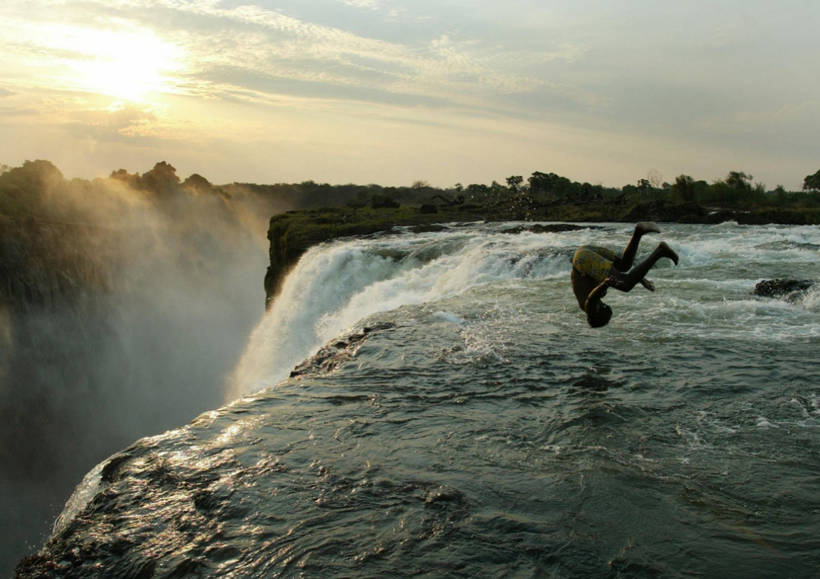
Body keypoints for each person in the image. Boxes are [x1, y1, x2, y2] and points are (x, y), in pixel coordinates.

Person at [571, 222, 679, 327]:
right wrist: (640, 279)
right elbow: (616, 275)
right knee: (624, 265)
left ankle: (660, 252)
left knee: (626, 285)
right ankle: (639, 231)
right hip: (583, 253)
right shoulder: (595, 299)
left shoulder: (589, 309)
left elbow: (591, 298)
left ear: (599, 317)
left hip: (583, 261)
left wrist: (604, 284)